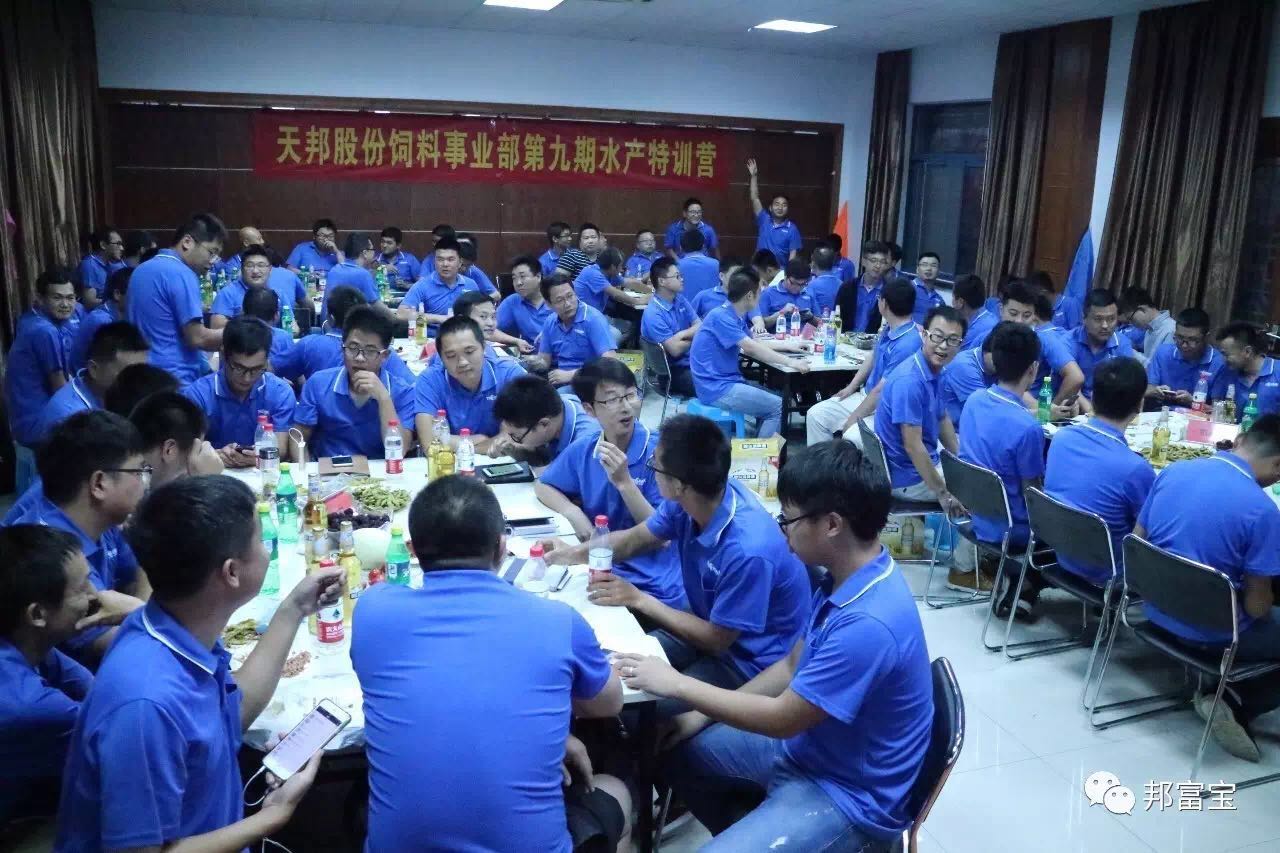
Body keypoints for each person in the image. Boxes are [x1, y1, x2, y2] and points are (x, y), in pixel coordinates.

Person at [614, 440, 932, 851]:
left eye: (789, 519)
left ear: (832, 525)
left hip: (847, 795)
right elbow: (789, 666)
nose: (783, 531)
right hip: (810, 749)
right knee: (677, 747)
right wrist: (696, 716)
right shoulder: (843, 577)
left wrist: (677, 685)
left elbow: (783, 718)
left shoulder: (867, 624)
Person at [55, 475, 341, 851]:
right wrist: (271, 817)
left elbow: (228, 715)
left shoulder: (171, 626)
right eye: (260, 541)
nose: (267, 551)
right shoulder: (144, 706)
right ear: (231, 572)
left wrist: (295, 608)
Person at [352, 476, 628, 852]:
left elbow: (448, 685)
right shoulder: (557, 621)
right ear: (501, 547)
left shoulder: (372, 611)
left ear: (413, 551)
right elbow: (610, 704)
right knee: (616, 791)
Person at [543, 414, 811, 716]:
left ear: (679, 484)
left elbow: (717, 641)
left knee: (639, 708)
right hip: (703, 623)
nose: (651, 470)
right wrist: (573, 554)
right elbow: (634, 540)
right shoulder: (690, 501)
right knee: (611, 672)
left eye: (655, 467)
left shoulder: (748, 550)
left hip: (748, 663)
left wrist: (638, 599)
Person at [1132, 415, 1280, 761]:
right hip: (1212, 631)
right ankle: (1237, 698)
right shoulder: (1262, 510)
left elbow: (1137, 542)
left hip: (1154, 607)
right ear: (1277, 465)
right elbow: (1257, 609)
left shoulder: (1173, 471)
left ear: (1240, 440)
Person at [536, 359, 686, 609]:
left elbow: (662, 536)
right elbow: (543, 486)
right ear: (590, 409)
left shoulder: (660, 452)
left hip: (653, 580)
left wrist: (624, 483)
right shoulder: (587, 449)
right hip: (601, 565)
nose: (626, 407)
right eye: (613, 399)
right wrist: (573, 513)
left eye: (630, 395)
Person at [3, 411, 149, 664]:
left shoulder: (105, 520)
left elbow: (136, 577)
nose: (145, 483)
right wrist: (141, 610)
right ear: (99, 484)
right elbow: (121, 645)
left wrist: (137, 607)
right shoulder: (51, 553)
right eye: (138, 471)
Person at [0, 526, 98, 824]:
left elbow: (90, 687)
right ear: (37, 615)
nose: (96, 596)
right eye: (82, 589)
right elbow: (127, 732)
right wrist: (137, 615)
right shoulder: (28, 705)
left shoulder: (24, 640)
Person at [957, 322, 1045, 617]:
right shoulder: (1028, 427)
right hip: (1011, 528)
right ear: (1033, 369)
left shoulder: (974, 401)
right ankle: (1024, 583)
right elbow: (1033, 495)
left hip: (976, 514)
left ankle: (1020, 585)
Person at [1045, 357, 1153, 590]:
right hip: (1110, 572)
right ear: (1139, 404)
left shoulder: (1061, 438)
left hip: (1062, 550)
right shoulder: (1135, 468)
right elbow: (1149, 531)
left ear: (1093, 398)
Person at [690, 268, 809, 438]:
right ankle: (764, 454)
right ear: (750, 296)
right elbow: (751, 348)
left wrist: (789, 346)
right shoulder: (721, 317)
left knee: (776, 396)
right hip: (717, 388)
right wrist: (791, 362)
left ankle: (761, 443)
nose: (761, 296)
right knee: (779, 406)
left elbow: (755, 342)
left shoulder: (733, 315)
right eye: (759, 292)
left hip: (724, 382)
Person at [805, 278, 921, 445]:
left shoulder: (908, 343)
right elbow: (873, 356)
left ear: (884, 304)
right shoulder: (890, 328)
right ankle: (825, 462)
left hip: (886, 409)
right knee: (816, 415)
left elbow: (880, 392)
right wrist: (851, 387)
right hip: (865, 395)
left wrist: (852, 420)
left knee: (852, 435)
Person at [873, 306, 966, 505]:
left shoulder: (937, 370)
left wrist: (962, 462)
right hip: (909, 479)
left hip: (923, 462)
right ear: (924, 335)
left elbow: (942, 417)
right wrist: (943, 493)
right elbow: (913, 445)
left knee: (976, 466)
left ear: (960, 344)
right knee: (982, 494)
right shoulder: (910, 381)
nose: (943, 346)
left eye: (952, 340)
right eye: (937, 337)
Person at [294, 306, 414, 459]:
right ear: (342, 348)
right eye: (353, 348)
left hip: (379, 471)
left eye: (370, 351)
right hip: (328, 469)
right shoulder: (318, 384)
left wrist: (384, 398)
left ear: (384, 356)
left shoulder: (403, 392)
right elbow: (299, 436)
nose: (359, 358)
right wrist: (305, 469)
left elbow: (400, 450)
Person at [183, 316, 296, 468]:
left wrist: (254, 459)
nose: (247, 378)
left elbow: (280, 450)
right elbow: (190, 452)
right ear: (223, 354)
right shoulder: (198, 395)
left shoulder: (280, 392)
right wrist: (217, 455)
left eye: (257, 369)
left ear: (267, 361)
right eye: (239, 368)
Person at [127, 212, 225, 385]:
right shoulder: (182, 273)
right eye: (211, 252)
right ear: (187, 242)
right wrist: (236, 331)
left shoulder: (141, 269)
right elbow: (198, 338)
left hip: (142, 375)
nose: (212, 261)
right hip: (176, 379)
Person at [414, 315, 526, 454]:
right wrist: (480, 442)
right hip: (450, 462)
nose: (462, 362)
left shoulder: (509, 374)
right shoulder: (430, 380)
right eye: (451, 356)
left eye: (469, 352)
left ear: (484, 347)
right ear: (441, 358)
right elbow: (429, 443)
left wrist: (472, 446)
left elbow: (523, 434)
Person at [6, 269, 78, 477]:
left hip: (21, 421)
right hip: (39, 425)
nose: (65, 304)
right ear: (40, 299)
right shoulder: (45, 331)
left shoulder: (29, 319)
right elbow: (60, 389)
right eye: (57, 298)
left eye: (70, 298)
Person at [41, 322, 149, 434]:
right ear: (94, 369)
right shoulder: (70, 418)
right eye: (128, 373)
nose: (138, 381)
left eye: (142, 371)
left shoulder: (114, 395)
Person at [490, 375, 601, 469]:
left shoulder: (589, 445)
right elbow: (544, 456)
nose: (512, 440)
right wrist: (514, 450)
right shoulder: (553, 407)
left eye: (517, 437)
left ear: (544, 424)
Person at [536, 274, 618, 391]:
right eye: (560, 300)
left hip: (590, 383)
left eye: (570, 296)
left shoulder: (593, 319)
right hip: (559, 380)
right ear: (549, 304)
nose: (568, 304)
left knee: (559, 395)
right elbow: (544, 361)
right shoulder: (550, 322)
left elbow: (611, 362)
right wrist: (530, 363)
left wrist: (571, 375)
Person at [399, 235, 485, 333]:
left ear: (460, 262)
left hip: (464, 336)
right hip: (431, 337)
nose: (445, 264)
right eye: (440, 259)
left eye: (450, 259)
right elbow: (401, 314)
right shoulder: (422, 285)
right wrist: (440, 319)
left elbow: (481, 313)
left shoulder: (471, 284)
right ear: (434, 262)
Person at [130, 390, 218, 484]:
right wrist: (206, 481)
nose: (197, 460)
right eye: (197, 451)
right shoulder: (134, 489)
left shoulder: (126, 473)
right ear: (169, 449)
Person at [640, 257, 699, 398]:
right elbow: (675, 350)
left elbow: (700, 325)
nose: (682, 279)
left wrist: (681, 335)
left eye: (681, 275)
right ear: (662, 281)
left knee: (724, 374)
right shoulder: (653, 313)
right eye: (677, 276)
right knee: (714, 387)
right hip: (673, 372)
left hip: (692, 360)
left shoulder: (680, 299)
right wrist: (696, 337)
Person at [209, 245, 305, 329]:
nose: (255, 271)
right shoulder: (227, 293)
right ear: (241, 268)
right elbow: (216, 326)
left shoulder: (278, 294)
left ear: (270, 269)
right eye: (250, 265)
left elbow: (293, 327)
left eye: (261, 265)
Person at [1145, 307, 1223, 403]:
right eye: (1179, 337)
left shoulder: (1219, 363)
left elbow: (1218, 409)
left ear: (1206, 338)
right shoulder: (1163, 353)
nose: (1184, 345)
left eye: (1193, 340)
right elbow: (1148, 388)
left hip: (1197, 412)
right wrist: (1155, 391)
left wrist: (1193, 402)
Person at [1069, 289, 1134, 403]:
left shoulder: (1123, 344)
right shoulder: (1068, 341)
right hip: (1072, 405)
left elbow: (1127, 384)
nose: (1105, 325)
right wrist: (1090, 410)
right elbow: (1070, 384)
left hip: (1108, 406)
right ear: (1084, 318)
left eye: (1111, 319)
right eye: (1098, 319)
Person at [1030, 290, 1086, 408]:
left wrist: (1050, 410)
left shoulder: (1041, 337)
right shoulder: (1065, 335)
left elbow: (1076, 377)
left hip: (1033, 406)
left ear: (1033, 318)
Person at [70, 267, 132, 373]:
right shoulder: (102, 321)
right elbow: (111, 368)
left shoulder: (118, 315)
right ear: (117, 294)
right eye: (135, 293)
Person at [1213, 322, 1280, 419]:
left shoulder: (1277, 372)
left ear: (1247, 352)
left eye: (1226, 355)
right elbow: (1216, 408)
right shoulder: (1227, 372)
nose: (1223, 360)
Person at [940, 325, 999, 428]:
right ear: (985, 350)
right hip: (951, 431)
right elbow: (986, 411)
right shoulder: (964, 366)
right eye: (996, 358)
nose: (1001, 362)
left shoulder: (999, 365)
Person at [747, 158, 802, 267]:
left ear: (787, 209)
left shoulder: (792, 229)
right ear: (770, 208)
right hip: (758, 269)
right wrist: (754, 176)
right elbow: (754, 198)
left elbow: (793, 256)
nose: (780, 207)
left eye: (784, 205)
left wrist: (787, 274)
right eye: (777, 204)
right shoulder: (764, 219)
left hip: (779, 272)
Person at [834, 241, 891, 334]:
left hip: (874, 341)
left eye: (882, 262)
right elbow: (836, 315)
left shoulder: (889, 292)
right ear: (863, 261)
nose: (878, 266)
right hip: (846, 339)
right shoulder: (847, 287)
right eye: (873, 260)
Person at [321, 231, 380, 320]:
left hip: (327, 325)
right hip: (346, 327)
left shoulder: (334, 270)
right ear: (364, 253)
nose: (374, 253)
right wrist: (396, 320)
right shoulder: (363, 274)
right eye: (372, 250)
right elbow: (377, 307)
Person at [452, 288, 533, 354]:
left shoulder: (490, 351)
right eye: (483, 316)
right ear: (462, 320)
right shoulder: (452, 355)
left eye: (493, 317)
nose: (491, 323)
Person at [498, 254, 555, 346]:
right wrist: (516, 341)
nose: (518, 283)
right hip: (531, 353)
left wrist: (553, 334)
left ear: (538, 276)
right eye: (514, 278)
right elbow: (489, 330)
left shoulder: (556, 296)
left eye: (522, 276)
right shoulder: (513, 301)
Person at [242, 286, 296, 365]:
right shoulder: (283, 337)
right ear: (276, 315)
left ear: (243, 313)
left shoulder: (235, 335)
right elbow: (292, 366)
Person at [1119, 287, 1176, 361]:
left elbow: (1161, 365)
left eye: (1131, 319)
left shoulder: (1171, 329)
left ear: (1142, 309)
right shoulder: (1149, 329)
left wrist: (1129, 351)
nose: (1132, 324)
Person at [75, 227, 125, 309]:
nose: (122, 248)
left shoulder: (111, 265)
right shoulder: (90, 265)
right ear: (103, 245)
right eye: (118, 244)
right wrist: (117, 303)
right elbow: (89, 302)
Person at [757, 259, 815, 329]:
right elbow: (761, 325)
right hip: (779, 334)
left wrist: (811, 317)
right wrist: (782, 312)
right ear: (785, 276)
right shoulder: (768, 293)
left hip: (805, 335)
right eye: (793, 283)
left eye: (802, 284)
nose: (797, 288)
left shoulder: (809, 292)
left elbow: (821, 323)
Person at [675, 229, 722, 304]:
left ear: (680, 247)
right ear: (703, 246)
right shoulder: (716, 264)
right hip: (712, 308)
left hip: (684, 310)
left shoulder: (675, 266)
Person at [951, 274, 995, 352]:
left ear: (960, 302)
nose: (952, 302)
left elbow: (953, 354)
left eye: (953, 297)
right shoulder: (991, 319)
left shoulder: (974, 331)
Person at [807, 244, 841, 317]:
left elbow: (811, 312)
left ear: (813, 264)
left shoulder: (811, 285)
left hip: (818, 322)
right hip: (838, 322)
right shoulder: (842, 284)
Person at [912, 252, 945, 324]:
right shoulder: (907, 288)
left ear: (939, 271)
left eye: (933, 265)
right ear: (917, 269)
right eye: (924, 265)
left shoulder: (940, 300)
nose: (929, 268)